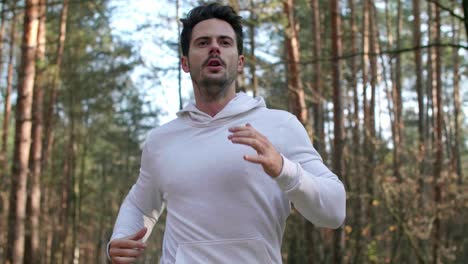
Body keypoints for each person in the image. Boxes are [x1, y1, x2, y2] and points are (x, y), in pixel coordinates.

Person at [107, 3, 346, 264]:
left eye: (224, 42)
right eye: (202, 42)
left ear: (240, 62)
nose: (214, 48)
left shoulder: (281, 126)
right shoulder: (161, 141)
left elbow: (334, 211)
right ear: (185, 63)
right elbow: (140, 205)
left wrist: (284, 169)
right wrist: (120, 239)